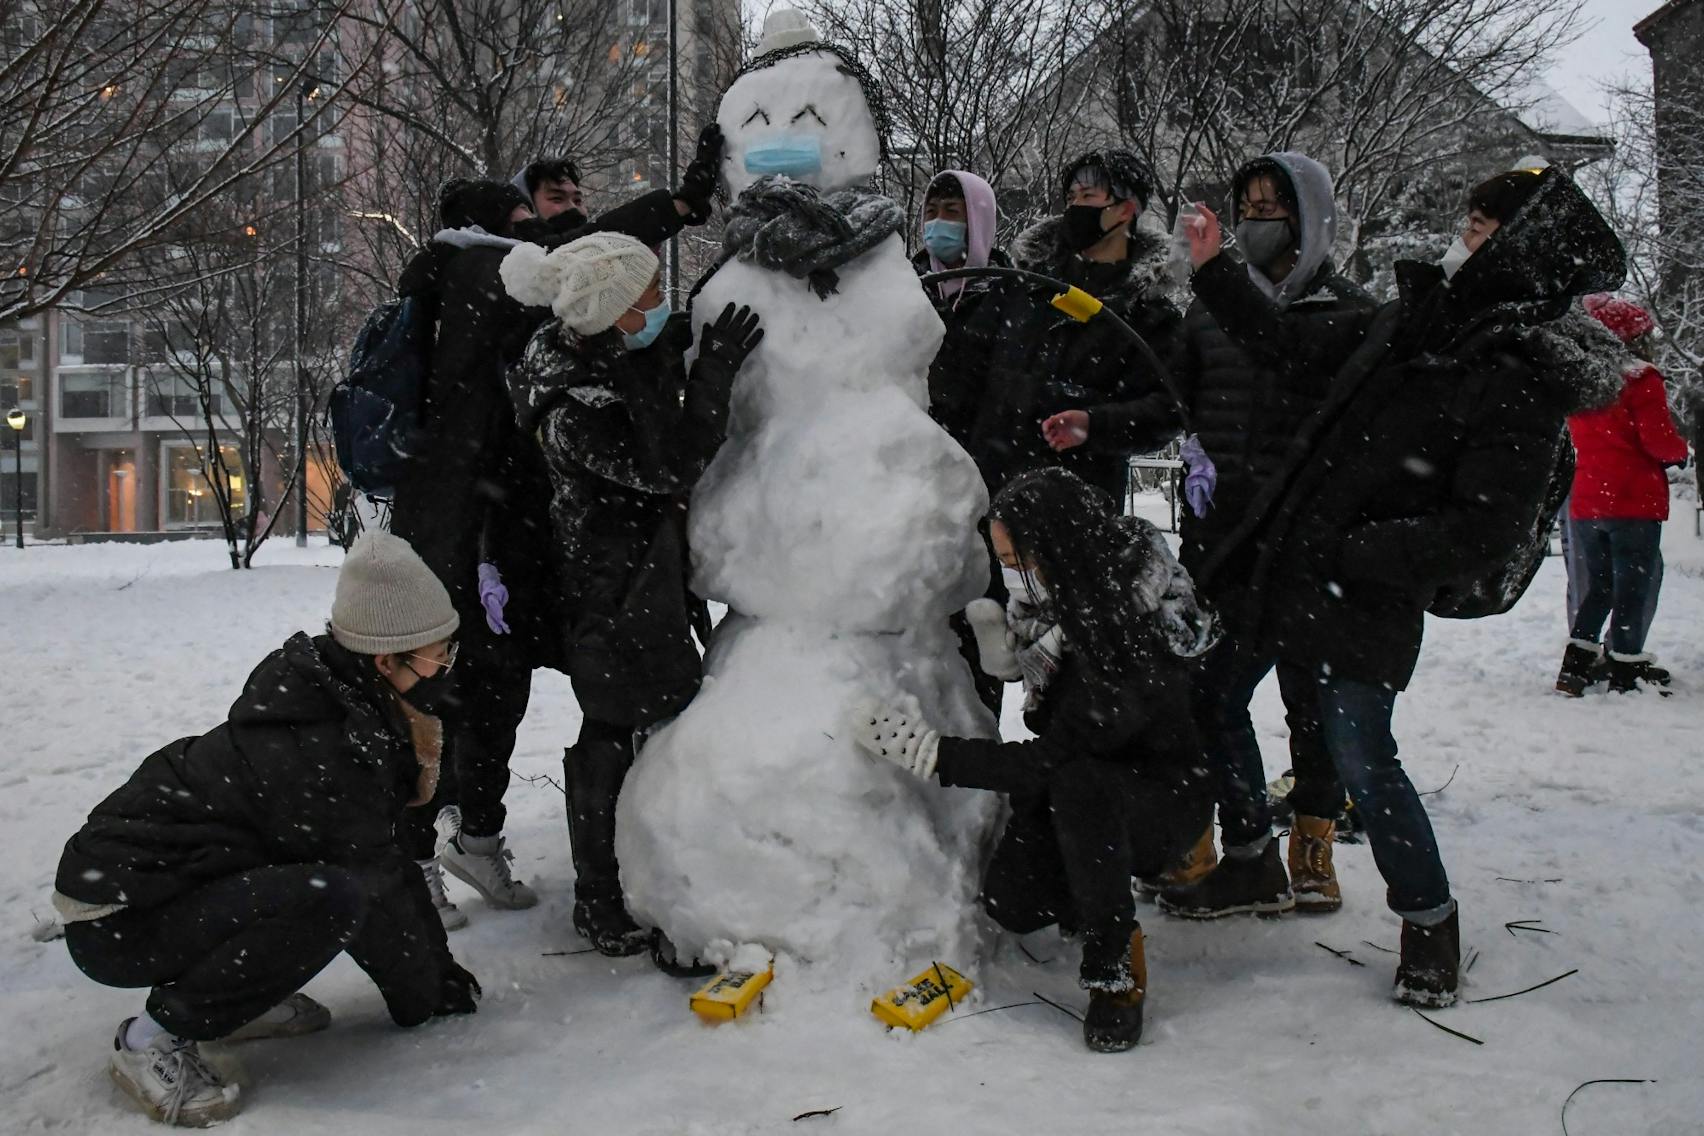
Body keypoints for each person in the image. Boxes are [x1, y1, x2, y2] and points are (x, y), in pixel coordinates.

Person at [1171, 164, 1626, 1006]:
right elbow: (1291, 345)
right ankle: (1248, 864)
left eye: (1484, 229)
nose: (1464, 239)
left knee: (1359, 753)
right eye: (1470, 220)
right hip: (1288, 563)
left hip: (1363, 592)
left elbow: (1479, 531)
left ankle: (1428, 920)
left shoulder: (1514, 372)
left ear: (1522, 253)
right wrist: (1216, 270)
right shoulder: (1416, 319)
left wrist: (1355, 553)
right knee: (1211, 692)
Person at [390, 146, 725, 926]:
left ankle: (474, 838)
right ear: (488, 232)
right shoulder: (475, 277)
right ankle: (413, 861)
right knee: (448, 695)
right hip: (465, 533)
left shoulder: (491, 291)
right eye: (529, 213)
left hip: (501, 524)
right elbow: (588, 263)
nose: (552, 220)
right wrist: (674, 207)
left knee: (494, 689)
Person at [52, 532, 480, 1127]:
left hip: (162, 889)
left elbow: (387, 852)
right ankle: (150, 1039)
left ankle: (231, 1002)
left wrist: (435, 977)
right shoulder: (322, 748)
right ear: (387, 660)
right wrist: (426, 996)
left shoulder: (341, 705)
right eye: (439, 656)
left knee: (320, 886)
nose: (448, 668)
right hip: (117, 921)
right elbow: (375, 880)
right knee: (330, 899)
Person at [1044, 152, 1375, 917]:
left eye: (1273, 209)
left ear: (1311, 219)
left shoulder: (1347, 314)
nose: (1258, 222)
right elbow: (1169, 406)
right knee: (1213, 697)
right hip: (1225, 543)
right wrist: (1098, 424)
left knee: (1312, 703)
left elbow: (1343, 415)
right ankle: (1249, 846)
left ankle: (1314, 842)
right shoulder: (1209, 313)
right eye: (1249, 207)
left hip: (1314, 548)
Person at [849, 468, 1216, 1053]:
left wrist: (929, 753)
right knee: (1013, 903)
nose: (1010, 573)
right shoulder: (1067, 596)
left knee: (1080, 784)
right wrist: (1016, 659)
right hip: (1086, 780)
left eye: (1016, 557)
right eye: (1001, 558)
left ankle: (1113, 969)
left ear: (1057, 546)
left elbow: (1051, 757)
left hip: (1162, 796)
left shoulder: (1125, 629)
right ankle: (1091, 876)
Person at [501, 232, 764, 956]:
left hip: (640, 578)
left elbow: (657, 353)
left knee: (639, 726)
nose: (660, 304)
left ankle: (646, 867)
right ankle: (601, 893)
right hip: (610, 594)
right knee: (614, 733)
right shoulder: (575, 404)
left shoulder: (601, 350)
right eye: (648, 295)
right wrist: (712, 373)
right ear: (613, 312)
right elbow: (671, 465)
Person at [940, 149, 1182, 503]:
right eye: (1071, 197)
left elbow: (1165, 411)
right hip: (989, 495)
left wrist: (1094, 423)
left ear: (1126, 209)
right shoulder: (1023, 285)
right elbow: (965, 372)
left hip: (1077, 507)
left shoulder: (1149, 312)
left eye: (1088, 197)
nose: (1074, 207)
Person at [912, 168, 1014, 716]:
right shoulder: (903, 285)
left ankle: (977, 739)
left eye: (954, 212)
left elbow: (1009, 394)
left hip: (980, 482)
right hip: (911, 480)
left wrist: (979, 470)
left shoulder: (1007, 292)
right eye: (932, 212)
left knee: (979, 621)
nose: (939, 225)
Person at [1556, 294, 1690, 695]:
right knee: (1632, 585)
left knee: (1598, 586)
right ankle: (1625, 667)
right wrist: (1681, 451)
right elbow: (1658, 441)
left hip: (1588, 498)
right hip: (1632, 500)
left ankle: (1575, 667)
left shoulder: (1580, 383)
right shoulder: (1639, 379)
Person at [514, 123, 723, 234]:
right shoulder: (515, 264)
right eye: (556, 199)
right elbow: (598, 237)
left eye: (578, 200)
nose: (573, 209)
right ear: (526, 207)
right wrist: (684, 201)